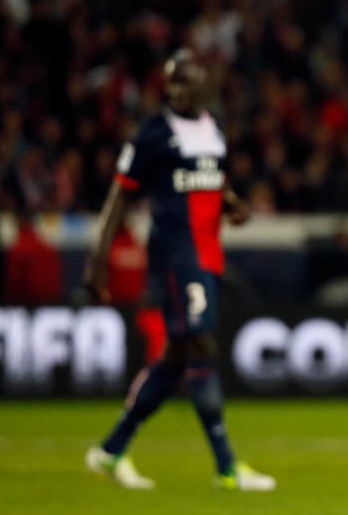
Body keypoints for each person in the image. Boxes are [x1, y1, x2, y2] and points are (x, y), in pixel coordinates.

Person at [82, 48, 275, 492]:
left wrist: (233, 205)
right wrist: (97, 263)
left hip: (208, 256)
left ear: (205, 84)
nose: (176, 90)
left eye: (185, 81)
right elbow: (119, 198)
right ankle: (227, 467)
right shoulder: (153, 133)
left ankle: (111, 451)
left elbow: (214, 179)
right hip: (175, 255)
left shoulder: (213, 130)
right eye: (170, 82)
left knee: (176, 356)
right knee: (201, 343)